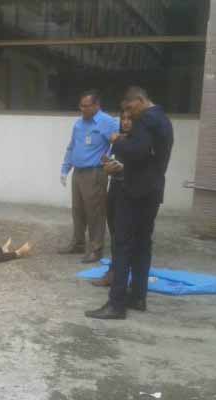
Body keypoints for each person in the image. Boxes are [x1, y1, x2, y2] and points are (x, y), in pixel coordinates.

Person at [86, 87, 174, 319]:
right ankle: (137, 296)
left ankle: (116, 304)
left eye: (130, 108)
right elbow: (150, 157)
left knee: (122, 245)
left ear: (141, 100)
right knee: (143, 244)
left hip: (134, 192)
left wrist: (117, 141)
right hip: (153, 190)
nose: (129, 114)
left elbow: (137, 151)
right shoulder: (164, 120)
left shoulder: (146, 119)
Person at [59, 90, 120, 263]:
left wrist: (110, 157)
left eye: (87, 106)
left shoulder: (106, 122)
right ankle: (78, 243)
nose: (83, 109)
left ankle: (96, 248)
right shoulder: (79, 124)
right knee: (78, 210)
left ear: (96, 106)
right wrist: (65, 169)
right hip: (78, 172)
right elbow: (72, 147)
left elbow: (119, 141)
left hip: (95, 172)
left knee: (95, 212)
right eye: (81, 106)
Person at [92, 109, 133, 287]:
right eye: (123, 118)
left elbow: (142, 168)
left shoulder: (139, 142)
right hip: (115, 187)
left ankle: (118, 273)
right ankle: (114, 270)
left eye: (130, 119)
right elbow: (115, 160)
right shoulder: (118, 141)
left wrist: (123, 168)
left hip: (130, 191)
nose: (125, 122)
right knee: (115, 232)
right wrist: (108, 164)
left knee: (124, 235)